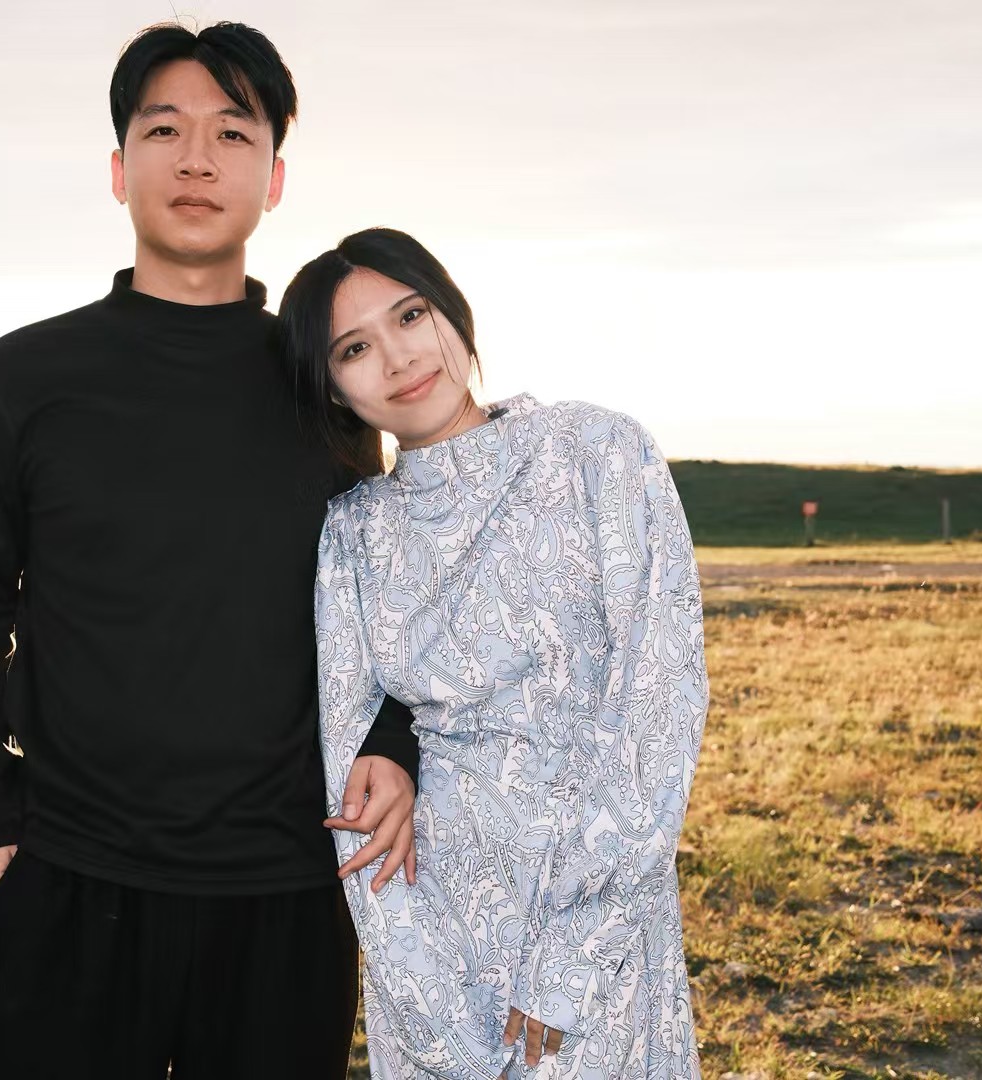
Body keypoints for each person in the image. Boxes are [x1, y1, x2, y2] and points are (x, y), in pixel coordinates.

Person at [0, 24, 422, 1080]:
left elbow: (391, 606)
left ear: (274, 179)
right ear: (119, 169)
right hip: (65, 886)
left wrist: (397, 745)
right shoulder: (23, 376)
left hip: (288, 897)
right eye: (165, 131)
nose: (198, 160)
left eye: (232, 133)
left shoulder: (328, 387)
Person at [279, 227, 708, 1080]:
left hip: (598, 926)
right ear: (332, 389)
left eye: (411, 315)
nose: (399, 357)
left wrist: (572, 961)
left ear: (453, 311)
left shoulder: (598, 452)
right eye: (355, 349)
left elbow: (659, 705)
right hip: (432, 940)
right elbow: (349, 781)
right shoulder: (354, 535)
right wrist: (418, 994)